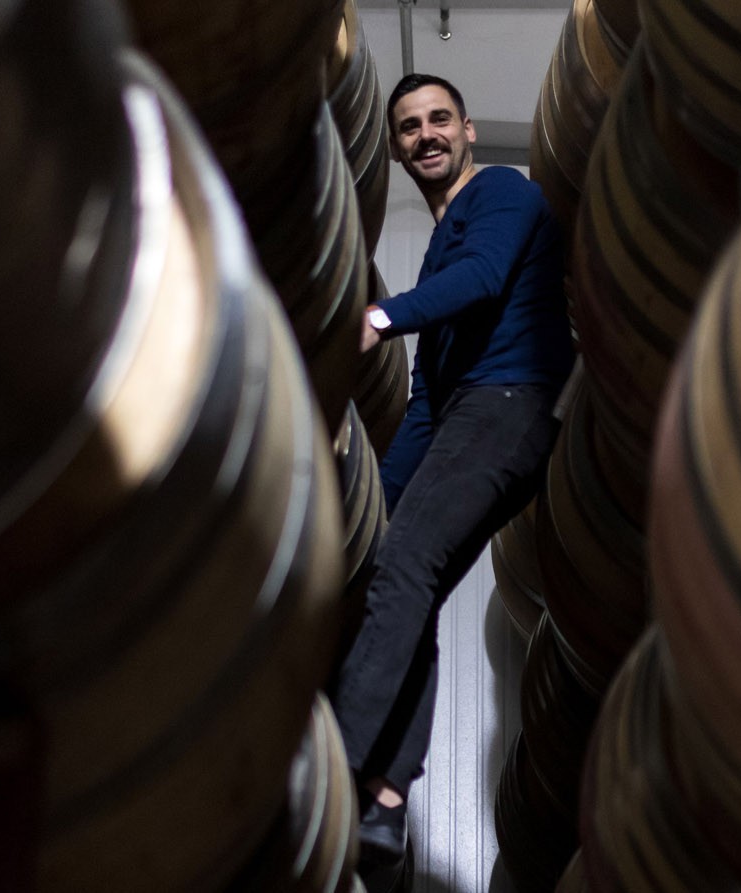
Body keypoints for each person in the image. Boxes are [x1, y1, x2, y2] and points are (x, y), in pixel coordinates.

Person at [328, 73, 575, 889]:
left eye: (439, 119)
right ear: (396, 146)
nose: (425, 134)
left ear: (468, 129)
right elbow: (430, 398)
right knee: (398, 575)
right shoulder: (439, 241)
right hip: (466, 411)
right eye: (408, 127)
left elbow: (484, 280)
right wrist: (380, 497)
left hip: (508, 407)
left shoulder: (501, 194)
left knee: (407, 567)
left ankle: (343, 762)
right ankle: (385, 800)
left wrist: (379, 315)